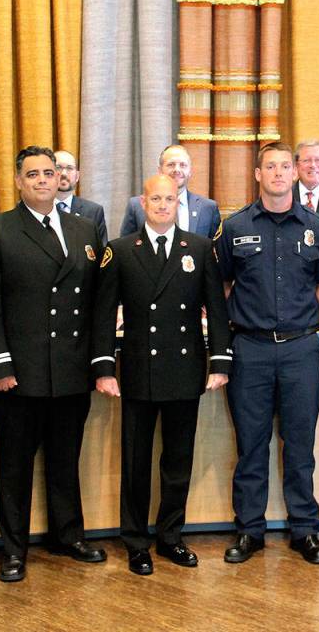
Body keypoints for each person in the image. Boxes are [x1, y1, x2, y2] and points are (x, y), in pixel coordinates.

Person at [0, 146, 106, 583]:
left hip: (69, 369)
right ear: (18, 181)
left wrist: (97, 363)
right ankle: (14, 549)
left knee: (66, 460)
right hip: (17, 374)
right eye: (34, 174)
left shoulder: (83, 228)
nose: (44, 180)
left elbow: (98, 301)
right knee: (15, 465)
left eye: (50, 172)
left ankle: (68, 535)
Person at [92, 174, 232, 576]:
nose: (163, 205)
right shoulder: (119, 250)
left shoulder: (200, 248)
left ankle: (171, 536)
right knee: (135, 463)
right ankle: (136, 542)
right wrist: (104, 368)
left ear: (178, 203)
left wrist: (219, 362)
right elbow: (104, 314)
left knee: (178, 461)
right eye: (156, 198)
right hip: (137, 369)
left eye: (170, 199)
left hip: (184, 369)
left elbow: (216, 311)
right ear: (142, 202)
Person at [215, 141, 319, 565]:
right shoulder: (234, 227)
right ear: (258, 174)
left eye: (286, 166)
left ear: (296, 172)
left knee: (300, 444)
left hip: (301, 349)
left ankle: (304, 530)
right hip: (249, 349)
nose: (280, 173)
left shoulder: (318, 227)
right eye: (271, 166)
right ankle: (250, 530)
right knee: (251, 444)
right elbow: (225, 286)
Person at [119, 144, 222, 238]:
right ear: (160, 170)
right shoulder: (136, 206)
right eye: (171, 164)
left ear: (190, 171)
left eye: (183, 165)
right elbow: (125, 249)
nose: (177, 170)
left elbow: (214, 252)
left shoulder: (208, 208)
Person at [54, 149, 109, 245]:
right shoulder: (39, 209)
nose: (64, 173)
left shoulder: (93, 211)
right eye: (58, 167)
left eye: (70, 168)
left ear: (77, 176)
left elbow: (101, 252)